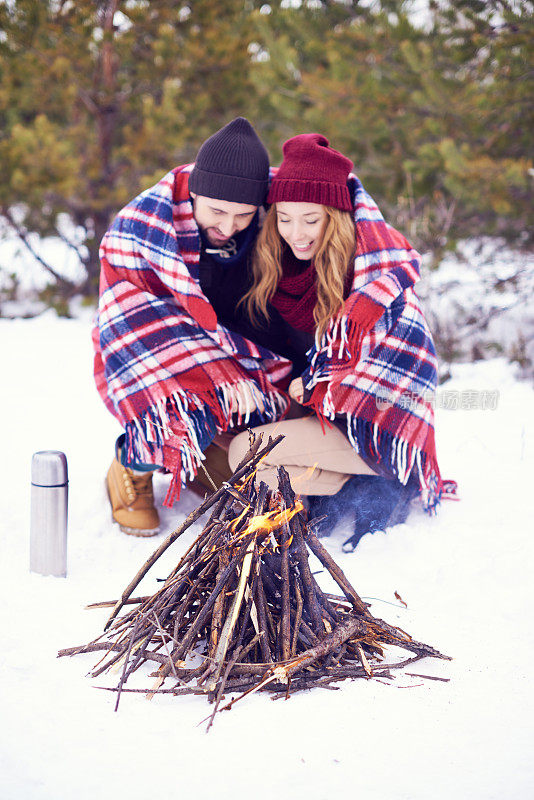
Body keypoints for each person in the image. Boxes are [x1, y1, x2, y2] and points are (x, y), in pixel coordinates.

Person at [227, 133, 454, 549]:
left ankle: (380, 481)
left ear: (336, 217)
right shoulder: (286, 270)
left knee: (247, 455)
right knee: (242, 445)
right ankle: (342, 485)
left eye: (310, 220)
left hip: (379, 424)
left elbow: (393, 371)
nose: (296, 233)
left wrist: (315, 385)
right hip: (329, 418)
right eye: (285, 218)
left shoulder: (373, 277)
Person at [94, 117, 295, 536]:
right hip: (157, 348)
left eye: (242, 215)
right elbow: (127, 312)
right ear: (195, 191)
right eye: (217, 212)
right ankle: (130, 467)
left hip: (235, 350)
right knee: (183, 415)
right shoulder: (141, 226)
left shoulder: (268, 220)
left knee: (256, 479)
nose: (227, 227)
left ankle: (199, 459)